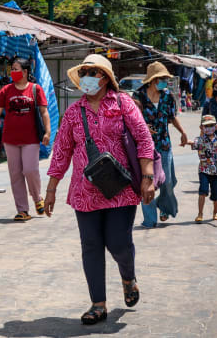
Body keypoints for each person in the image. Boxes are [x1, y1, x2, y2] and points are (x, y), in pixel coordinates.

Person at [44, 54, 155, 325]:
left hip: (121, 188)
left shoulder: (123, 103)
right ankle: (98, 303)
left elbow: (143, 138)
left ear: (104, 78)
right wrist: (51, 188)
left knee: (118, 242)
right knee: (91, 246)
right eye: (83, 72)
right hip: (85, 192)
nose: (86, 78)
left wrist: (148, 175)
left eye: (91, 72)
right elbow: (61, 151)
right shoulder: (73, 112)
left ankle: (128, 277)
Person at [0, 57, 51, 221]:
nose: (13, 72)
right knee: (15, 174)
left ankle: (37, 198)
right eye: (12, 69)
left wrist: (48, 132)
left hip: (30, 139)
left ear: (25, 72)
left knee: (30, 170)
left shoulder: (36, 89)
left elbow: (44, 112)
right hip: (10, 139)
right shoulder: (6, 90)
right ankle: (22, 210)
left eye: (16, 69)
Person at [132, 62, 188, 228]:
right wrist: (142, 127)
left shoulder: (167, 96)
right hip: (144, 147)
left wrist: (183, 132)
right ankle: (150, 220)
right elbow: (130, 119)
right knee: (147, 183)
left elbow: (171, 116)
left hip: (164, 145)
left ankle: (163, 206)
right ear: (152, 79)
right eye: (161, 78)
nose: (164, 81)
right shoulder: (138, 96)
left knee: (168, 182)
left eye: (165, 78)